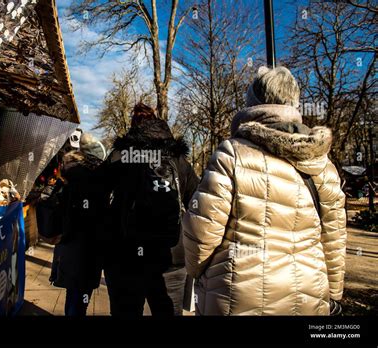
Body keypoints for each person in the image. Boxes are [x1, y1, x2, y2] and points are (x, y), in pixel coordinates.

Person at [183, 66, 347, 315]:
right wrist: (334, 294)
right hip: (307, 296)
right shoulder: (323, 165)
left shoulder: (231, 154)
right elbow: (334, 238)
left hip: (235, 295)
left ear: (252, 104)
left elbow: (201, 230)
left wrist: (199, 273)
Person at [104, 103, 199, 316]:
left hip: (125, 255)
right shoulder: (178, 159)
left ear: (133, 125)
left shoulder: (120, 155)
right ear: (158, 122)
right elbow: (198, 203)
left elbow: (95, 195)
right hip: (171, 256)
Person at [52, 133, 108, 316]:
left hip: (70, 244)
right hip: (92, 245)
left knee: (73, 291)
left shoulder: (70, 176)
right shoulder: (99, 180)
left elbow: (60, 211)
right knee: (83, 293)